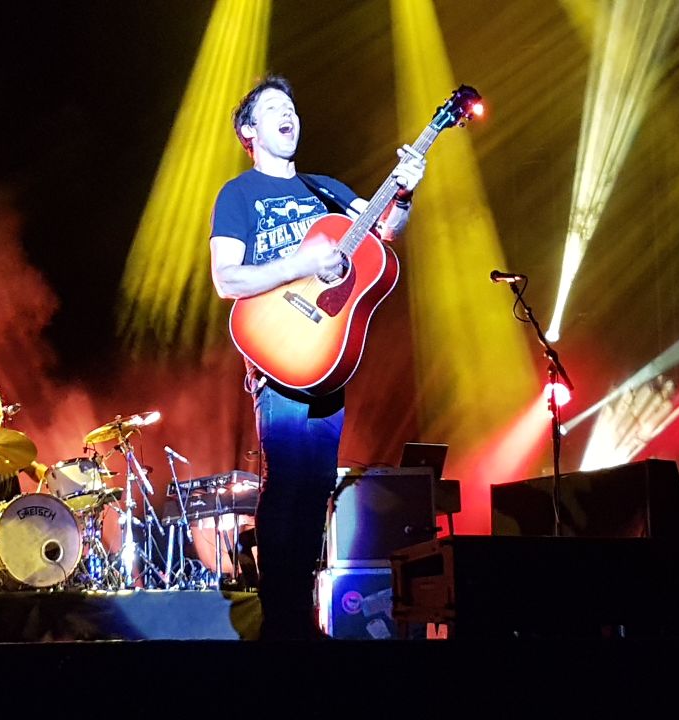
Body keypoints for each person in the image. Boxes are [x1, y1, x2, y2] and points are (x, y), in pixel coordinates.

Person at [209, 75, 425, 639]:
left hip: (328, 355)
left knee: (316, 485)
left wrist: (403, 194)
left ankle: (297, 614)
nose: (289, 115)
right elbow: (227, 279)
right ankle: (280, 620)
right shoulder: (238, 194)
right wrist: (303, 265)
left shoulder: (325, 189)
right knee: (287, 482)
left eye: (293, 107)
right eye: (274, 108)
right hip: (277, 348)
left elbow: (385, 231)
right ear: (249, 130)